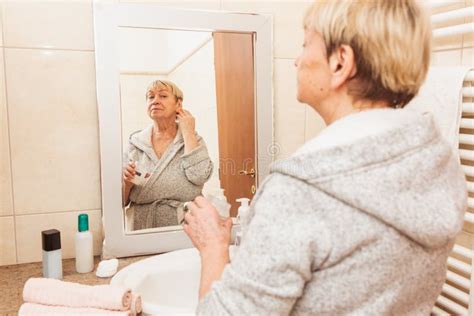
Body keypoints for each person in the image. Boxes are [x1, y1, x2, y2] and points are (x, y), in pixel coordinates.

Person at [183, 0, 468, 314]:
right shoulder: (439, 163)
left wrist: (213, 249)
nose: (296, 60)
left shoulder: (301, 192)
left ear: (340, 63)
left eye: (306, 44)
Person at [123, 80, 213, 230]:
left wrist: (188, 132)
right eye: (150, 97)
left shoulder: (192, 139)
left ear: (178, 104)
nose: (155, 101)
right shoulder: (135, 143)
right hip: (142, 227)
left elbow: (199, 176)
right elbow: (121, 201)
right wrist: (126, 184)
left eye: (163, 96)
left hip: (186, 225)